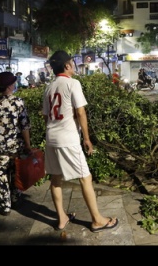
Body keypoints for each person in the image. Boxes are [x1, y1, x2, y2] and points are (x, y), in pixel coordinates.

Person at [42, 50, 119, 232]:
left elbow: (46, 117)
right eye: (72, 63)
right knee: (85, 177)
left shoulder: (49, 87)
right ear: (67, 66)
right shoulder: (72, 83)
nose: (74, 65)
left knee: (55, 178)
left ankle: (61, 218)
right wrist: (86, 138)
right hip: (68, 139)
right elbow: (81, 112)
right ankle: (98, 220)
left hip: (51, 138)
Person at [0, 71, 32, 216]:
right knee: (16, 173)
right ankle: (16, 199)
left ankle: (5, 206)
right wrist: (27, 145)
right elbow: (25, 126)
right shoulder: (18, 103)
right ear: (10, 86)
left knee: (0, 177)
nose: (15, 84)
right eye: (14, 83)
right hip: (15, 147)